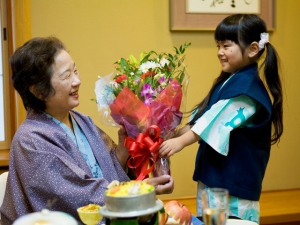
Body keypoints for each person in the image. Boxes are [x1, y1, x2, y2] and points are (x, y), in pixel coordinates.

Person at [0, 36, 174, 224]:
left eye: (75, 70)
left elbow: (106, 170)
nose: (77, 81)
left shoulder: (82, 121)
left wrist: (123, 151)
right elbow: (76, 194)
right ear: (38, 91)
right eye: (66, 76)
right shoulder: (30, 140)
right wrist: (137, 192)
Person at [159, 14, 283, 223]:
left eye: (226, 46)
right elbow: (202, 119)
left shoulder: (247, 91)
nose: (220, 53)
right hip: (216, 181)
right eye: (218, 46)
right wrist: (167, 133)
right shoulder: (230, 81)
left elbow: (214, 122)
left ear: (253, 49)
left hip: (234, 188)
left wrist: (179, 142)